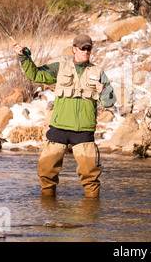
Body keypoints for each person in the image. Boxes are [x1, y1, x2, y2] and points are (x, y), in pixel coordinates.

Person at [13, 34, 116, 198]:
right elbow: (36, 75)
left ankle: (91, 217)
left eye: (89, 48)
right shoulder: (59, 67)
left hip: (83, 131)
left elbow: (110, 102)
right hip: (59, 128)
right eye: (83, 48)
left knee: (91, 177)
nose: (86, 51)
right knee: (46, 172)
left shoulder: (98, 72)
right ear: (74, 49)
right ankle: (48, 210)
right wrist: (24, 58)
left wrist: (103, 92)